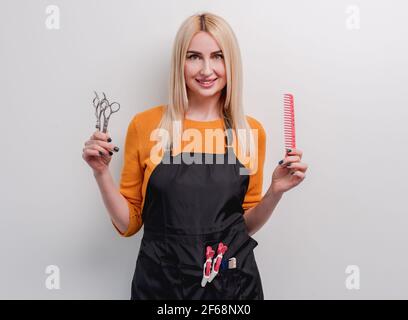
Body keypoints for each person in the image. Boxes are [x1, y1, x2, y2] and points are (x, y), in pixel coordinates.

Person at [82, 12, 308, 300]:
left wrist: (275, 192)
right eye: (193, 57)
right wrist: (101, 173)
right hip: (161, 286)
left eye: (217, 56)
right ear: (180, 62)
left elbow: (245, 225)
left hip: (231, 288)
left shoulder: (249, 132)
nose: (206, 69)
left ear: (231, 63)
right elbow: (130, 224)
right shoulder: (145, 125)